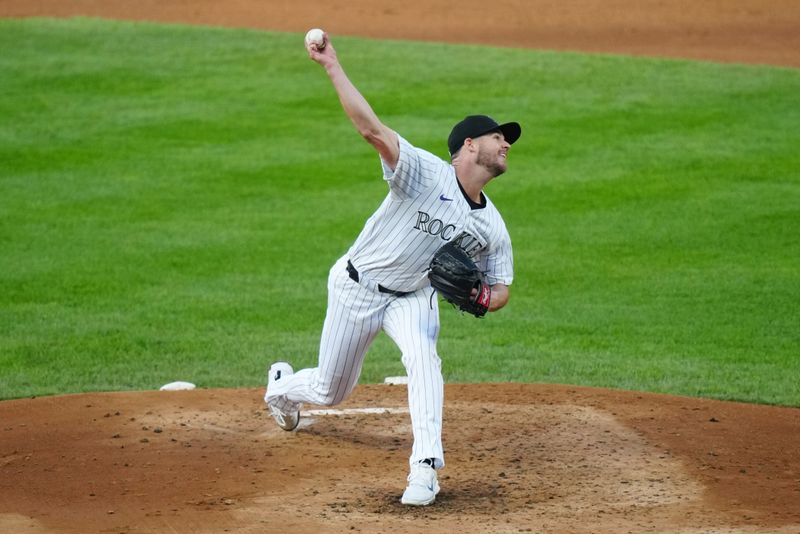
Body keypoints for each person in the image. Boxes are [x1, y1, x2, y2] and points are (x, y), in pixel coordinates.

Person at [264, 32, 520, 506]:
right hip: (356, 287)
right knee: (330, 389)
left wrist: (484, 298)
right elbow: (372, 131)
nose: (506, 144)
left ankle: (424, 469)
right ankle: (282, 389)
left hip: (413, 296)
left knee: (425, 361)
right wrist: (332, 66)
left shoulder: (491, 225)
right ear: (468, 146)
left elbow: (501, 285)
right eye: (497, 136)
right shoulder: (423, 171)